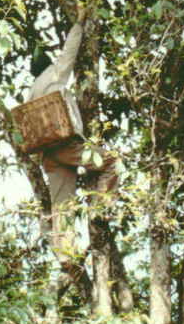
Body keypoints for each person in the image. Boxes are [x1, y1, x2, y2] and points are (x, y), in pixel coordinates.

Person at [27, 20, 118, 258]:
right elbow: (70, 50)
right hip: (66, 145)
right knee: (112, 163)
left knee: (62, 206)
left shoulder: (32, 92)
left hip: (48, 155)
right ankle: (100, 210)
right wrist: (79, 23)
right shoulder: (53, 75)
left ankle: (66, 256)